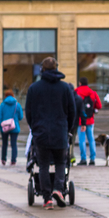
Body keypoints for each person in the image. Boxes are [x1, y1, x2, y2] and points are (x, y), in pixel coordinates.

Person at [24, 57, 77, 207]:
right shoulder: (65, 88)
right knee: (61, 163)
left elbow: (29, 112)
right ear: (56, 68)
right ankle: (59, 190)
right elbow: (72, 111)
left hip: (41, 133)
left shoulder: (34, 88)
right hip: (60, 132)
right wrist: (67, 128)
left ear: (42, 69)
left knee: (43, 165)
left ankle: (47, 198)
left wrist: (34, 128)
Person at [73, 77, 103, 165]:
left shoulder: (76, 92)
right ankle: (92, 158)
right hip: (90, 120)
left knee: (81, 140)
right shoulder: (92, 93)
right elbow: (99, 106)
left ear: (80, 83)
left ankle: (83, 159)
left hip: (80, 120)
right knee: (91, 139)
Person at [0, 88, 24, 166]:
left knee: (4, 144)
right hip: (14, 127)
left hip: (4, 128)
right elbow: (21, 117)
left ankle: (3, 159)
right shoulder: (17, 105)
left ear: (5, 96)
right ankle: (13, 160)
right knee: (14, 144)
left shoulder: (2, 105)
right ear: (13, 95)